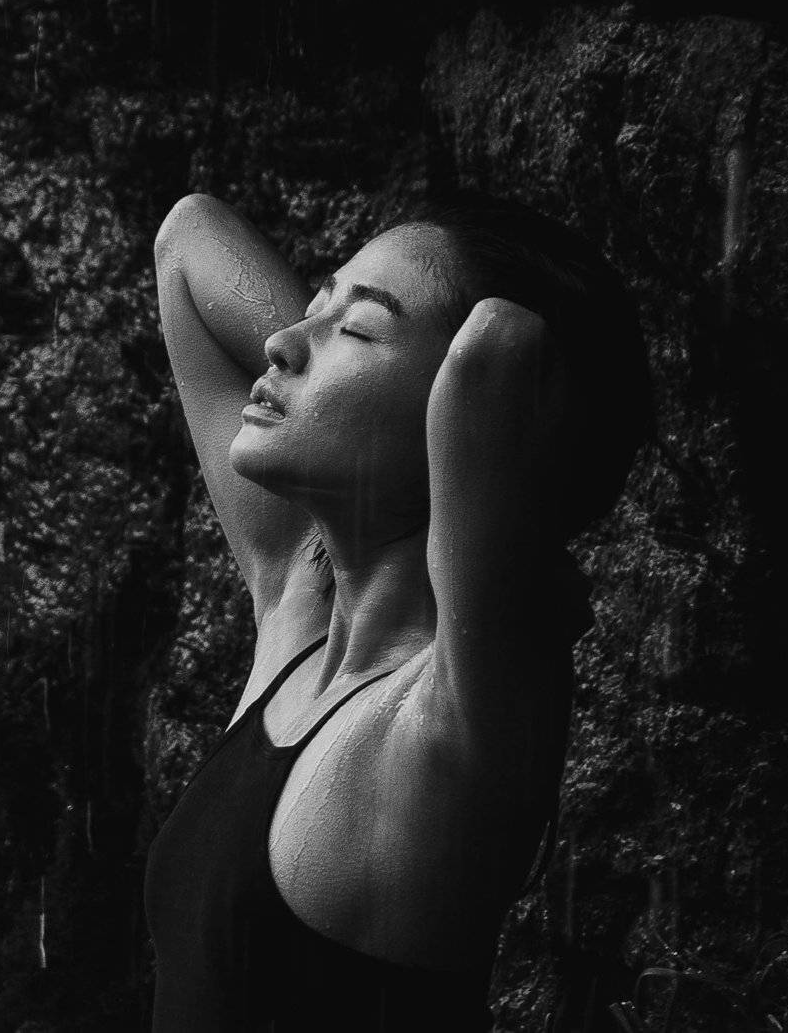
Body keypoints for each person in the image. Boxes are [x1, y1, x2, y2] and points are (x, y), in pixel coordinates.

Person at [142, 188, 651, 1032]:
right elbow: (189, 236)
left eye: (356, 330)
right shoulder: (297, 608)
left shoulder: (461, 716)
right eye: (312, 305)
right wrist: (334, 344)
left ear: (461, 415)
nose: (280, 343)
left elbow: (502, 341)